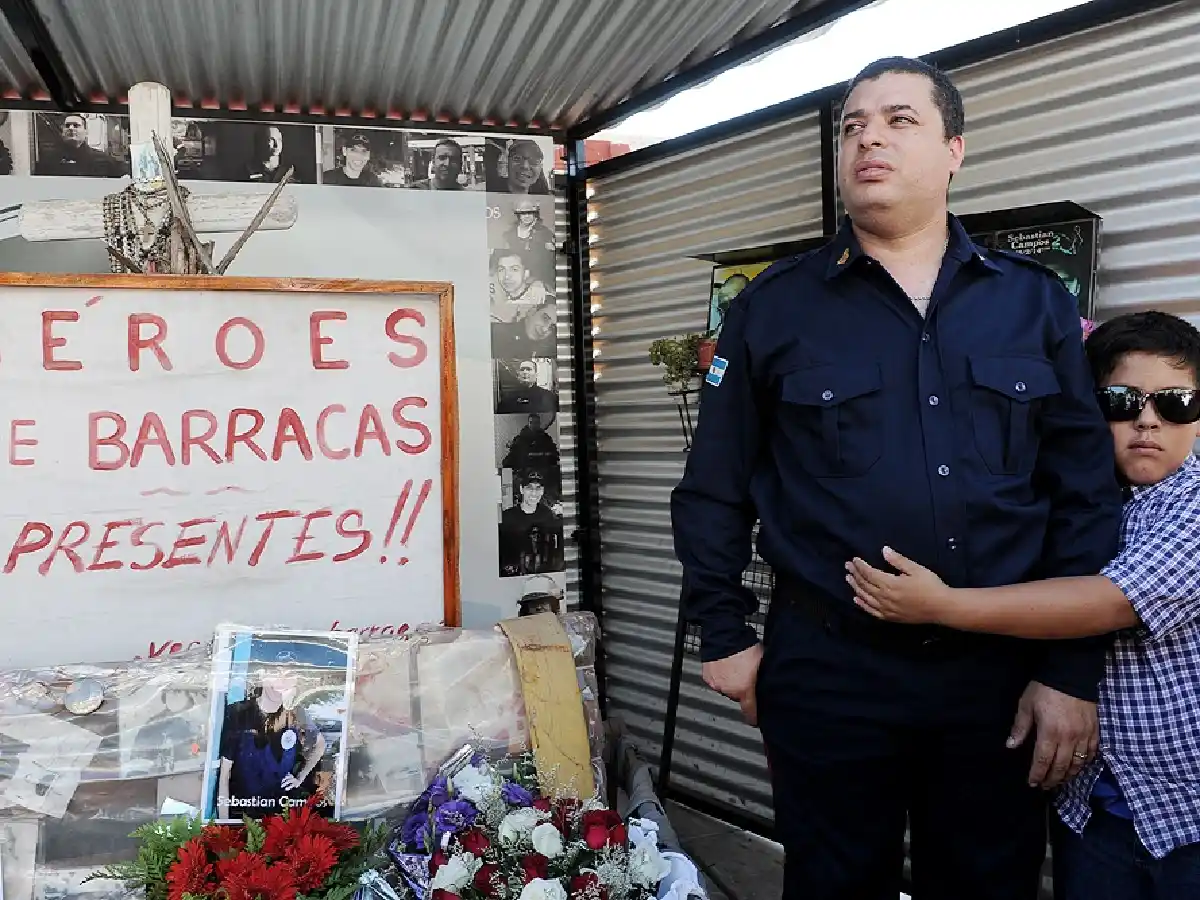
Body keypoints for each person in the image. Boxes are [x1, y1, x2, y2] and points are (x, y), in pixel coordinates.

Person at [670, 55, 1123, 900]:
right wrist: (725, 636)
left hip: (997, 675)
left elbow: (1086, 495)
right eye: (852, 124)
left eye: (899, 119)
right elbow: (713, 486)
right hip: (831, 670)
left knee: (989, 885)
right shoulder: (772, 308)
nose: (869, 136)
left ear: (955, 147)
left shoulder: (1034, 304)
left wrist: (1069, 674)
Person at [848, 310, 1200, 900]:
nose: (1147, 421)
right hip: (1093, 805)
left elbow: (1105, 601)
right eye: (1121, 400)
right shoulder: (1075, 501)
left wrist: (943, 606)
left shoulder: (1191, 504)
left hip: (1185, 813)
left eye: (1176, 404)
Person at [215, 671, 326, 820]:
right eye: (276, 673)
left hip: (281, 818)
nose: (282, 681)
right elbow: (224, 775)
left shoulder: (296, 714)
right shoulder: (239, 713)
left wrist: (300, 776)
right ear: (261, 675)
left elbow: (319, 745)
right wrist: (224, 824)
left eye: (289, 675)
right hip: (243, 816)